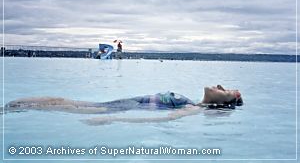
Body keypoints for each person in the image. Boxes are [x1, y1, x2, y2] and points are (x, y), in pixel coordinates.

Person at [4, 85, 243, 124]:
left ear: (228, 102)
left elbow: (162, 119)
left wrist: (112, 119)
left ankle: (8, 111)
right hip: (124, 101)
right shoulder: (193, 102)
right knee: (57, 101)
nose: (221, 85)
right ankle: (9, 108)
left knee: (58, 105)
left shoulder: (192, 109)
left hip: (123, 108)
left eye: (229, 90)